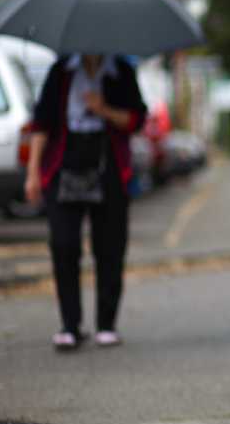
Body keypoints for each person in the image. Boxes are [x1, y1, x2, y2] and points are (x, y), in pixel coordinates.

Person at [25, 53, 147, 350]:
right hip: (64, 167)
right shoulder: (61, 71)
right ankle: (70, 325)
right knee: (64, 244)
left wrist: (103, 109)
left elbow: (136, 120)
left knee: (110, 246)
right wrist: (33, 174)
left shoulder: (121, 72)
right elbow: (41, 124)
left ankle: (107, 324)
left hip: (109, 169)